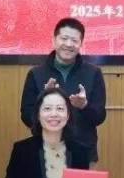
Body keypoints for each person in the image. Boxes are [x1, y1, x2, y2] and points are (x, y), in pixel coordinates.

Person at [20, 18, 106, 162]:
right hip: (45, 151)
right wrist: (43, 100)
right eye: (64, 38)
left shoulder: (93, 73)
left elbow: (100, 117)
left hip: (83, 153)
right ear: (54, 40)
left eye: (74, 40)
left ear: (81, 44)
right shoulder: (36, 73)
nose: (69, 44)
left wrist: (84, 106)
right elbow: (26, 117)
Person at [3, 87, 91, 178]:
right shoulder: (22, 150)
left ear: (68, 115)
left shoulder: (80, 151)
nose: (54, 114)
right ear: (38, 115)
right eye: (47, 108)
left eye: (60, 109)